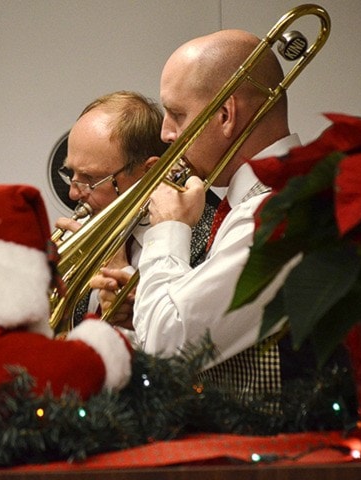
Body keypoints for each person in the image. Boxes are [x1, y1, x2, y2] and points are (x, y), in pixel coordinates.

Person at [130, 29, 304, 402]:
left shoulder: (279, 209)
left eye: (177, 114)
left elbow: (165, 349)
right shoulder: (250, 204)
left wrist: (168, 230)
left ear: (226, 115)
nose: (165, 133)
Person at [54, 91, 217, 328]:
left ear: (149, 170)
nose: (73, 193)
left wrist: (123, 275)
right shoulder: (82, 230)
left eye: (90, 178)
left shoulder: (210, 236)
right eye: (71, 174)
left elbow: (194, 348)